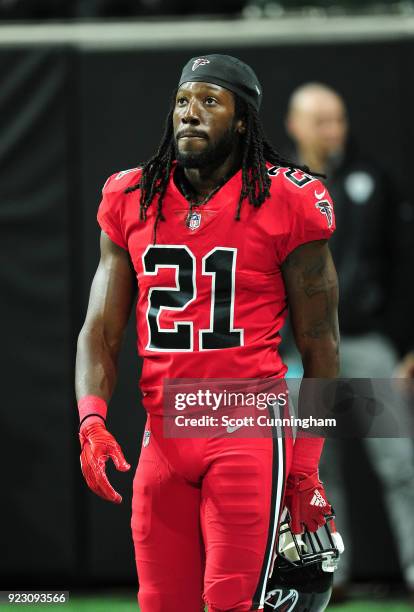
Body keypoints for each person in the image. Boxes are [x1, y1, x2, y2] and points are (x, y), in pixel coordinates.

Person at [75, 55, 339, 612]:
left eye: (209, 102)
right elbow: (100, 327)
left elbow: (321, 345)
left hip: (245, 430)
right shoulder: (132, 196)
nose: (189, 114)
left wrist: (307, 465)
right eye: (181, 101)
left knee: (229, 603)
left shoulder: (287, 199)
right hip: (164, 434)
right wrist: (92, 418)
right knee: (161, 604)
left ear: (243, 120)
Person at [285, 82, 414, 598]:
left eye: (338, 120)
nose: (333, 131)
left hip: (363, 343)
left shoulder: (373, 180)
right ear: (295, 125)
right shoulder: (273, 187)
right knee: (310, 469)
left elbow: (403, 265)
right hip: (298, 351)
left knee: (401, 463)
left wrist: (406, 344)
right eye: (321, 121)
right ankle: (327, 577)